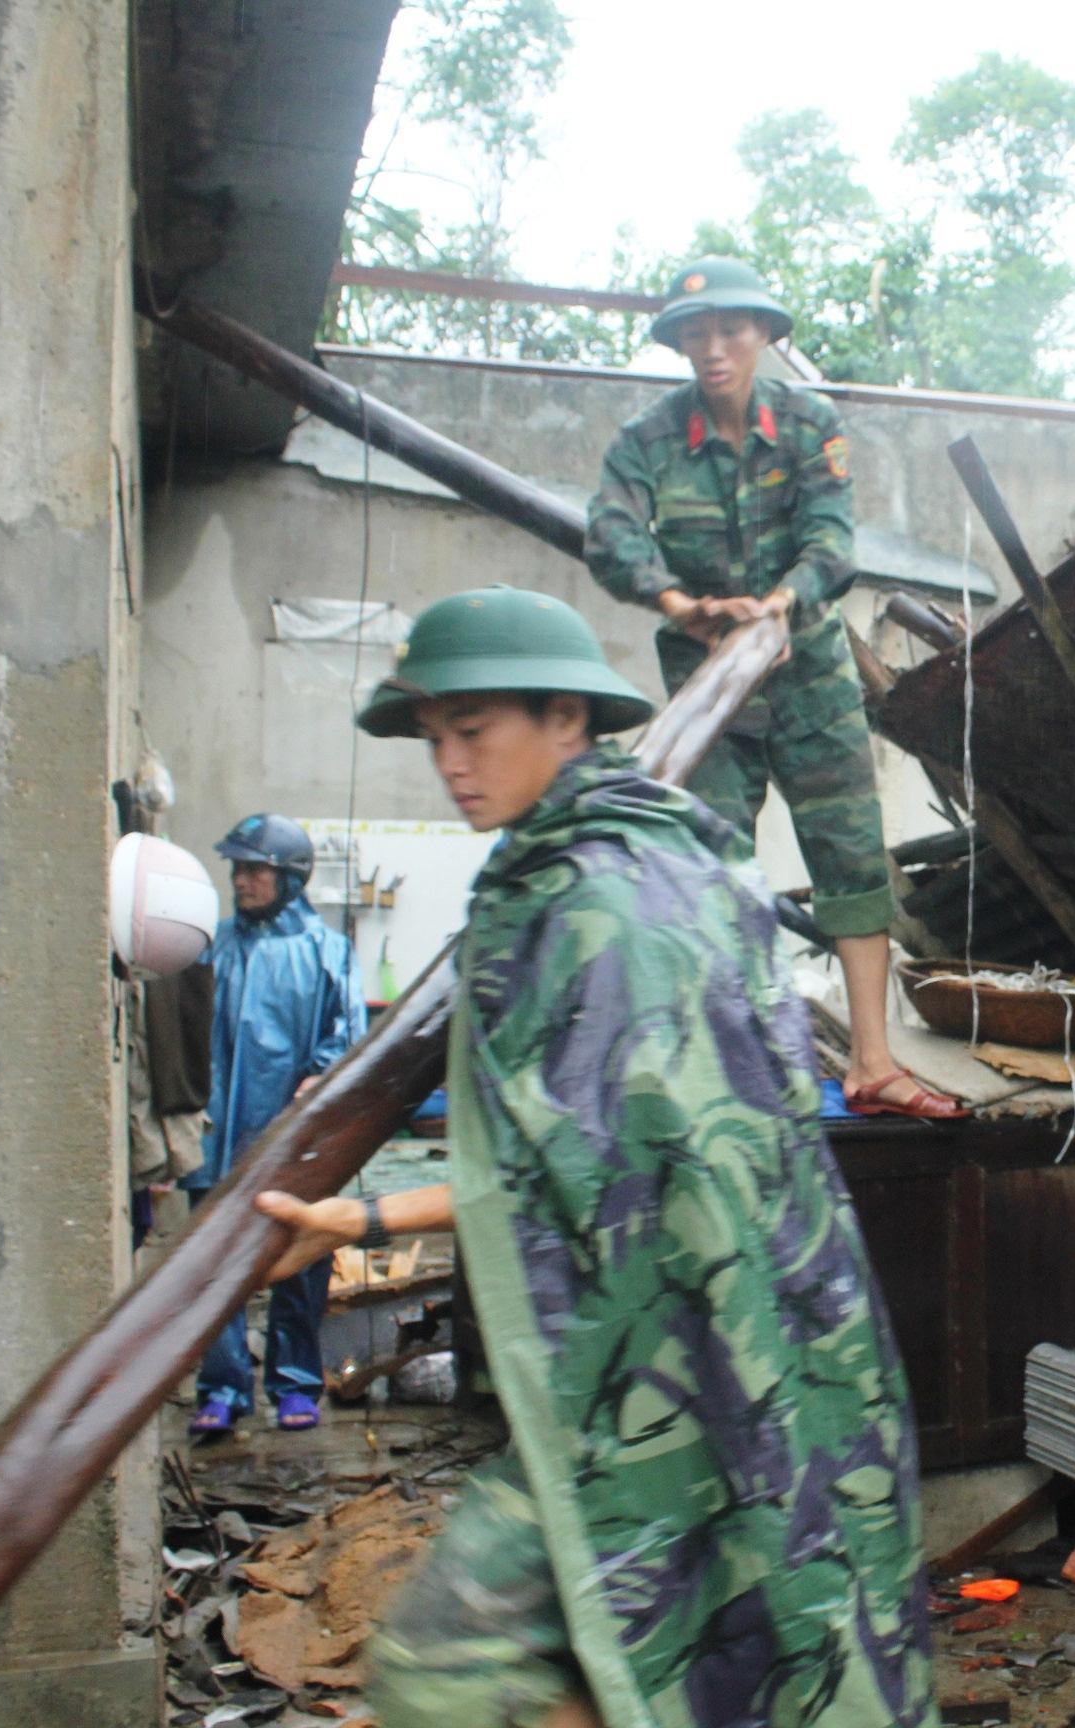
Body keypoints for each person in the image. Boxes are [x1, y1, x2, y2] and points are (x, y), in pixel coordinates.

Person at [250, 586, 934, 1728]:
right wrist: (357, 1223)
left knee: (452, 1670)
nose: (451, 764)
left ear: (565, 717)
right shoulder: (625, 865)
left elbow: (640, 1174)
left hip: (680, 1374)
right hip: (685, 1359)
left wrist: (370, 1221)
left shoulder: (605, 901)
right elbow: (570, 1156)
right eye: (435, 738)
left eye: (475, 731)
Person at [584, 255, 962, 1120]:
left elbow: (832, 541)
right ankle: (724, 1061)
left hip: (809, 674)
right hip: (708, 688)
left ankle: (873, 1061)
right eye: (696, 332)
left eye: (731, 329)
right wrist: (680, 605)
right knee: (709, 866)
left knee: (850, 856)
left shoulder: (807, 422)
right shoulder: (648, 438)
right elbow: (610, 533)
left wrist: (780, 605)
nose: (714, 348)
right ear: (678, 341)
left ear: (762, 333)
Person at [188, 812, 364, 1435]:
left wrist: (319, 1078)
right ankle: (222, 1387)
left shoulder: (327, 951)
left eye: (255, 870)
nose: (241, 881)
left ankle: (295, 1382)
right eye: (237, 869)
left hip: (296, 1135)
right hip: (217, 1133)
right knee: (213, 1262)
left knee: (301, 1256)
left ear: (290, 877)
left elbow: (349, 1035)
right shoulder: (213, 946)